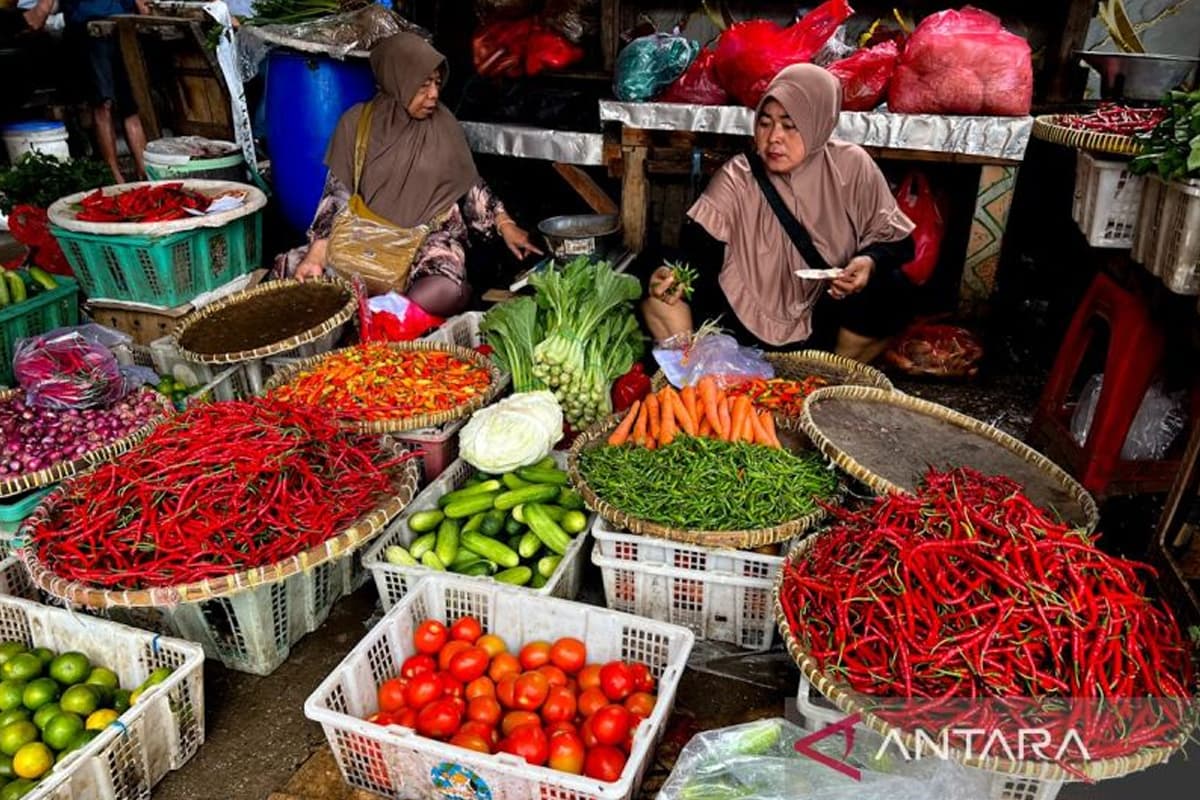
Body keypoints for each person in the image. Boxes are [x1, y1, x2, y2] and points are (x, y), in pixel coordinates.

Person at [642, 64, 916, 363]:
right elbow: (698, 249)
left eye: (790, 125)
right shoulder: (739, 175)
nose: (774, 137)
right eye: (765, 122)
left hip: (821, 321)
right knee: (651, 271)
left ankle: (831, 372)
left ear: (818, 122)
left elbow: (899, 241)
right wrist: (672, 276)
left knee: (894, 288)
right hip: (740, 325)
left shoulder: (851, 166)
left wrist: (867, 262)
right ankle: (690, 367)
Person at [285, 32, 541, 318]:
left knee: (447, 287)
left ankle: (375, 312)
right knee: (292, 273)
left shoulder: (443, 126)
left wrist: (505, 224)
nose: (433, 94)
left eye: (436, 83)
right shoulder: (356, 123)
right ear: (397, 80)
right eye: (422, 85)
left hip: (425, 238)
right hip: (365, 238)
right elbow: (337, 195)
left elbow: (468, 186)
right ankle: (383, 311)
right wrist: (317, 256)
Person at [24, 0, 150, 183]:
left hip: (114, 24)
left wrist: (40, 12)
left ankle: (141, 171)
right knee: (108, 105)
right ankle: (117, 175)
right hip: (95, 26)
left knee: (121, 106)